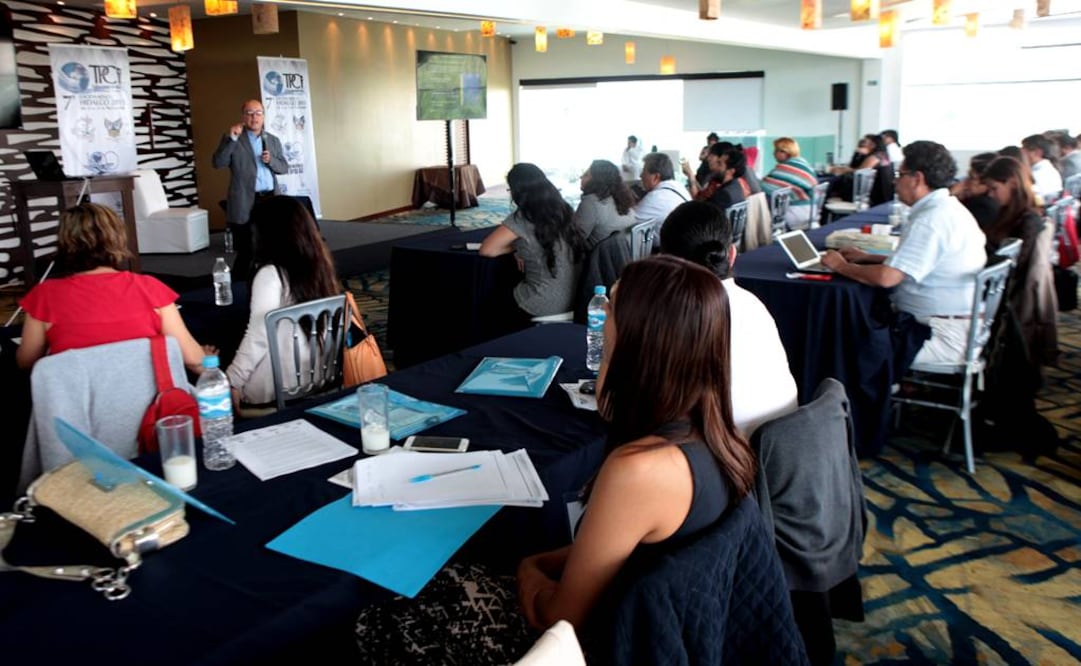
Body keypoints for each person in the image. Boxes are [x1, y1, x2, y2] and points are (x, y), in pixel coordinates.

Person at [354, 254, 757, 663]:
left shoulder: (640, 470)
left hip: (597, 644)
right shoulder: (721, 437)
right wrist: (544, 561)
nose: (599, 316)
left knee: (386, 617)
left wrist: (529, 572)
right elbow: (618, 550)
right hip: (652, 620)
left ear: (639, 340)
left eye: (612, 306)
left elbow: (561, 618)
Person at [820, 140, 987, 376]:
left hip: (936, 334)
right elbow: (925, 263)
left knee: (839, 339)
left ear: (917, 179)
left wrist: (841, 266)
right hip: (958, 325)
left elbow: (887, 279)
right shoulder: (949, 209)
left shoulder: (932, 220)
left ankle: (860, 407)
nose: (895, 180)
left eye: (900, 174)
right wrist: (867, 257)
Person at [16, 202, 208, 373]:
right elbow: (192, 359)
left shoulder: (44, 295)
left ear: (65, 243)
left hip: (74, 408)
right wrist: (204, 358)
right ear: (117, 239)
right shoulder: (150, 288)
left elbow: (26, 361)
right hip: (149, 406)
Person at [660, 200, 798, 436]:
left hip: (726, 456)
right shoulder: (754, 304)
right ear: (731, 254)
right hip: (785, 448)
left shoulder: (674, 314)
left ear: (664, 260)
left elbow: (623, 405)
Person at [225, 196, 340, 408]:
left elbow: (258, 336)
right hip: (320, 377)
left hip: (276, 388)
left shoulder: (271, 274)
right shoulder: (321, 264)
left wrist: (232, 381)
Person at [480, 163, 587, 327]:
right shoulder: (564, 209)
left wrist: (516, 247)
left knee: (490, 294)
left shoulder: (523, 218)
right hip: (576, 300)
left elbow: (487, 250)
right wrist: (522, 247)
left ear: (518, 191)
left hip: (539, 303)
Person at [980, 156, 1058, 368]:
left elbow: (1012, 265)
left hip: (1003, 294)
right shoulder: (1009, 213)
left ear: (1012, 183)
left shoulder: (1027, 220)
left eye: (994, 188)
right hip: (1000, 288)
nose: (990, 194)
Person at [212, 99, 289, 279]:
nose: (254, 117)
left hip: (270, 198)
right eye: (249, 113)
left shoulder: (272, 140)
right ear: (243, 116)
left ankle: (270, 282)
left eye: (258, 113)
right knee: (247, 248)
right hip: (245, 200)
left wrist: (271, 161)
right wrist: (231, 139)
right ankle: (240, 284)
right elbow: (218, 162)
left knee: (272, 244)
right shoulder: (233, 138)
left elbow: (283, 167)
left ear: (263, 116)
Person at [573, 159, 637, 248]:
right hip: (629, 256)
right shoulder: (623, 198)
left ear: (597, 180)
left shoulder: (590, 202)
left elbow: (575, 239)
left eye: (586, 175)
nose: (581, 177)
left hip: (603, 259)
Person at [762, 137, 819, 230]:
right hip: (812, 210)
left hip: (796, 213)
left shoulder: (785, 168)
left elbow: (763, 187)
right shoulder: (803, 163)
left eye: (777, 151)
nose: (774, 153)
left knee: (759, 207)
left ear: (786, 152)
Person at [633, 152, 690, 241]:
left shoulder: (656, 197)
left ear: (656, 177)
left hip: (668, 251)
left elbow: (628, 223)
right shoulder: (679, 186)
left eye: (644, 171)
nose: (641, 176)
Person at [952, 152, 1001, 229]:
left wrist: (951, 195)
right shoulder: (972, 199)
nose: (965, 182)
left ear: (986, 183)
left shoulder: (984, 207)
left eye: (972, 178)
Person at [694, 144, 748, 212]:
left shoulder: (723, 195)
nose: (717, 166)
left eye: (719, 163)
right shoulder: (737, 187)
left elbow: (701, 213)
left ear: (731, 171)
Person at [1021, 134, 1064, 202]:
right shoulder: (1049, 168)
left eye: (1024, 150)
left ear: (1038, 152)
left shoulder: (1039, 174)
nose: (1022, 154)